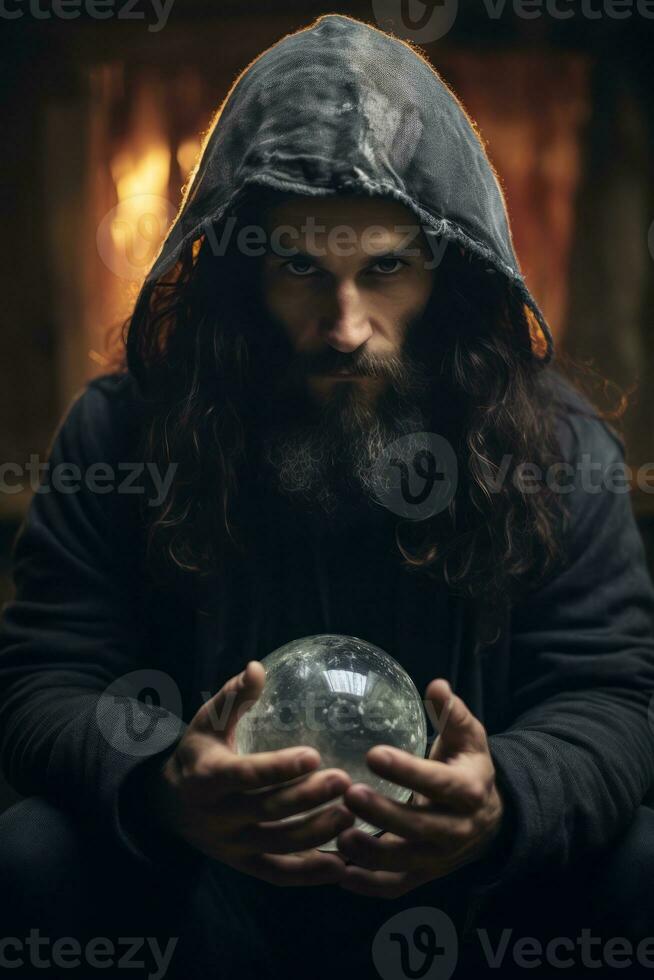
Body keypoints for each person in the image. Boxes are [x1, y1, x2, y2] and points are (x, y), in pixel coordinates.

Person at [1, 13, 654, 980]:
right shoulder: (124, 433)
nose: (344, 326)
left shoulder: (553, 449)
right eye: (300, 267)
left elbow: (613, 696)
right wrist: (158, 788)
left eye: (385, 267)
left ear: (450, 271)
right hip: (196, 896)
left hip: (473, 906)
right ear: (237, 271)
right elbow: (43, 679)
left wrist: (504, 799)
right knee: (28, 852)